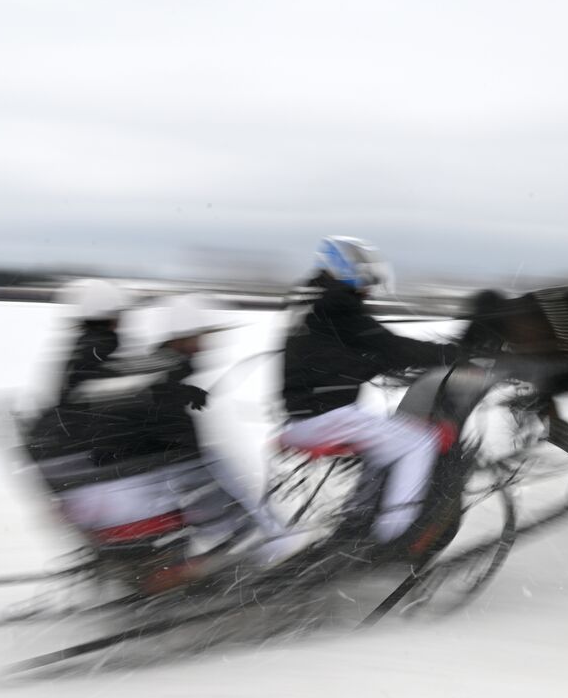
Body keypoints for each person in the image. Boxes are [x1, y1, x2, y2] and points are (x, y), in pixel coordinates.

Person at [38, 294, 302, 591]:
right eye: (202, 336)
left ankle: (246, 536)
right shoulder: (165, 375)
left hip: (108, 479)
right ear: (182, 339)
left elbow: (144, 421)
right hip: (125, 488)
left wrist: (181, 398)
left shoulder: (149, 369)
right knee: (221, 468)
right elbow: (182, 443)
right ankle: (275, 543)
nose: (207, 344)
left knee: (210, 468)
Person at [280, 236, 455, 545]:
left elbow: (344, 354)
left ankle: (357, 519)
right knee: (420, 443)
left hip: (300, 416)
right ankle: (393, 535)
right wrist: (450, 355)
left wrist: (372, 364)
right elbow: (391, 347)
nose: (369, 288)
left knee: (384, 440)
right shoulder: (340, 308)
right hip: (325, 417)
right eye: (367, 280)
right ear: (351, 273)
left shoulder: (315, 304)